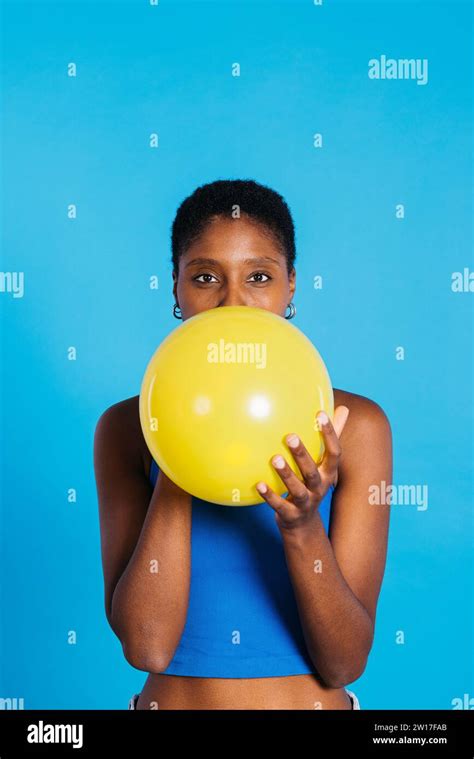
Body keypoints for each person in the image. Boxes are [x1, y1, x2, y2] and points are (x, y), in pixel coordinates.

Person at [93, 179, 392, 710]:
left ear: (291, 287)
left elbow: (346, 661)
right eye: (205, 277)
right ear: (176, 290)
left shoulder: (354, 425)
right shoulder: (125, 427)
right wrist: (181, 450)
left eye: (259, 276)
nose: (233, 302)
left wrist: (301, 527)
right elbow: (147, 646)